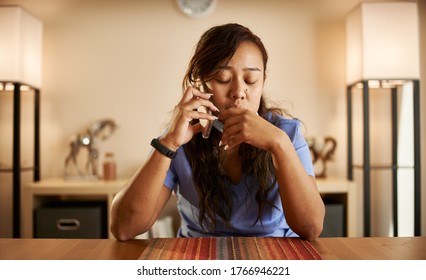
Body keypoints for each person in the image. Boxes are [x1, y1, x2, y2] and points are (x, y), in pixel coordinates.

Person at [110, 23, 325, 241]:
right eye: (223, 79)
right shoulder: (181, 137)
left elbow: (311, 228)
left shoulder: (287, 134)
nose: (239, 92)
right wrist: (169, 143)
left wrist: (279, 144)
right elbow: (123, 228)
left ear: (263, 82)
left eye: (251, 80)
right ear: (202, 82)